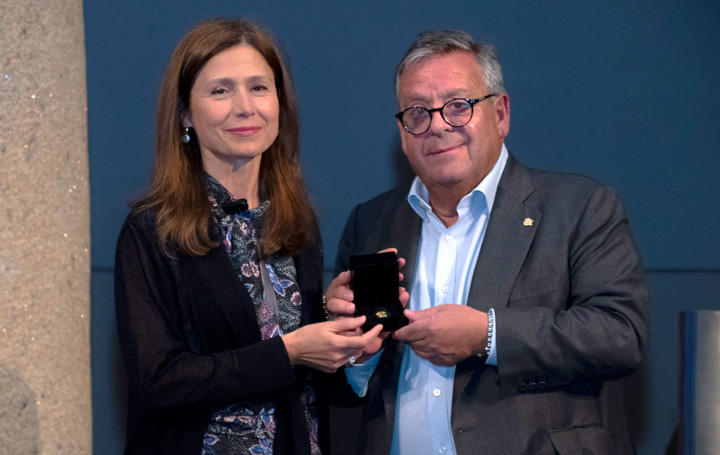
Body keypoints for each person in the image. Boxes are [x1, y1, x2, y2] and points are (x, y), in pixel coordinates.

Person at [327, 29, 649, 454]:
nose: (438, 125)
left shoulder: (580, 207)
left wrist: (488, 334)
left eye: (459, 106)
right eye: (418, 112)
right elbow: (348, 385)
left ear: (500, 114)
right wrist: (352, 349)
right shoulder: (370, 222)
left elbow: (620, 334)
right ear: (403, 135)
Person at [114, 18, 383, 455]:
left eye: (259, 87)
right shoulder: (153, 229)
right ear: (185, 113)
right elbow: (158, 381)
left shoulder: (296, 221)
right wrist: (289, 352)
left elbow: (308, 369)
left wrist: (346, 340)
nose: (245, 107)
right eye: (220, 90)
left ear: (280, 102)